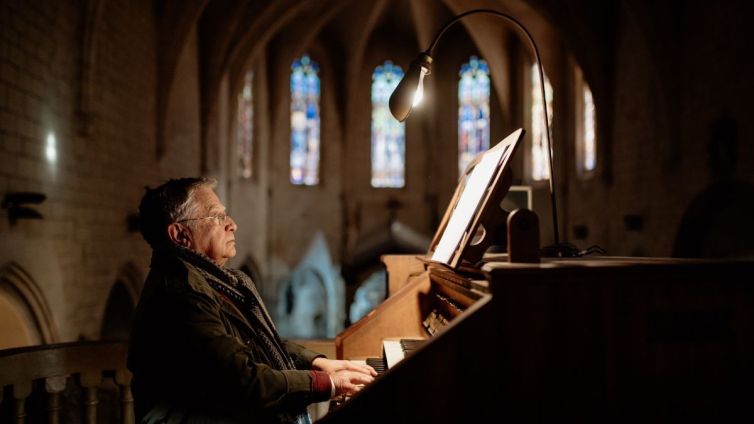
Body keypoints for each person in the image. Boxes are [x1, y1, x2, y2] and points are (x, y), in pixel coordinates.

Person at [127, 177, 375, 423]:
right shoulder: (181, 291)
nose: (232, 224)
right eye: (217, 217)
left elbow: (255, 340)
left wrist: (317, 362)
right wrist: (328, 383)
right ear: (180, 234)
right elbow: (242, 379)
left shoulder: (213, 281)